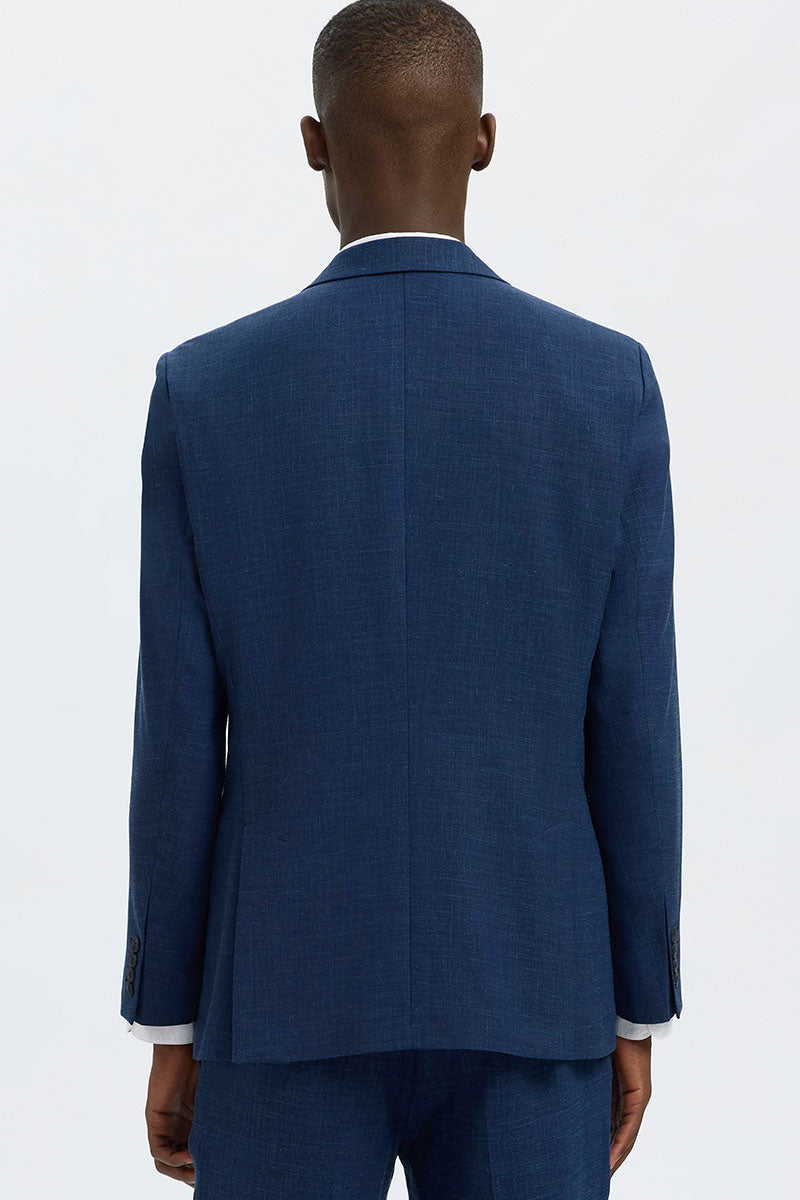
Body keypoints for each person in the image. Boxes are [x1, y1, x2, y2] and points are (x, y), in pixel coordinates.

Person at [120, 2, 683, 1196]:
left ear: (313, 142)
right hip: (534, 989)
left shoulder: (205, 391)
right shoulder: (605, 386)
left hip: (281, 996)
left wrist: (169, 1018)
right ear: (483, 138)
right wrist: (635, 1003)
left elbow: (176, 738)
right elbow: (634, 722)